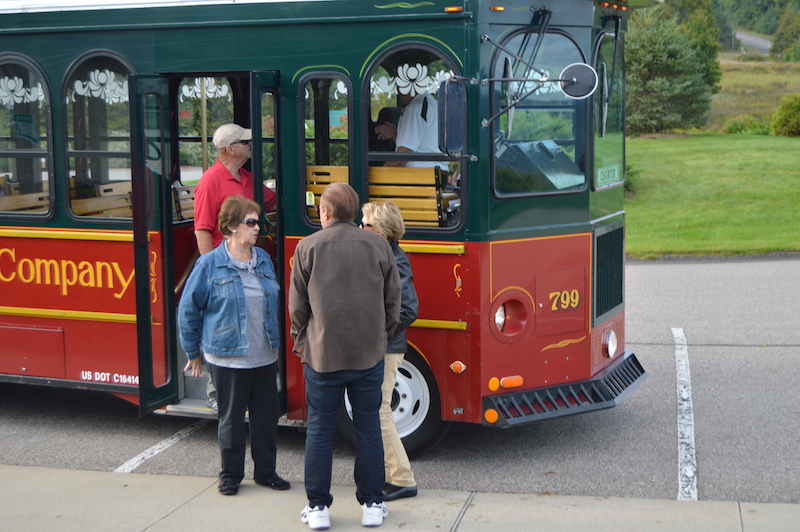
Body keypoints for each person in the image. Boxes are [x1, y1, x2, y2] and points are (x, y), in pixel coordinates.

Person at [289, 183, 401, 530]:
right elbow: (393, 302)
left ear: (325, 212)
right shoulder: (379, 245)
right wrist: (381, 336)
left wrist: (303, 341)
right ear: (353, 212)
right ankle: (371, 503)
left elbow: (297, 309)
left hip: (322, 355)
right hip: (368, 354)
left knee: (320, 430)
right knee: (368, 427)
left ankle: (318, 508)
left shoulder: (307, 248)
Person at [179, 195, 289, 496]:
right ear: (230, 227)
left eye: (259, 221)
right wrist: (194, 353)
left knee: (266, 419)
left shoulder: (263, 259)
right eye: (251, 222)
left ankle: (266, 472)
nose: (258, 228)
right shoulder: (209, 264)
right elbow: (188, 310)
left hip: (265, 354)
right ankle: (230, 475)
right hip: (227, 356)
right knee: (231, 420)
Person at [192, 123, 277, 413]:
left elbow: (272, 199)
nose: (251, 145)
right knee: (222, 324)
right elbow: (202, 231)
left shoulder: (247, 178)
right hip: (224, 267)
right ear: (230, 149)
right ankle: (216, 390)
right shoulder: (210, 182)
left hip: (249, 263)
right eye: (245, 141)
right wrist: (212, 271)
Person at [360, 202, 419, 502]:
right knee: (377, 410)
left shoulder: (396, 259)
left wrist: (377, 333)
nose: (360, 228)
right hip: (383, 345)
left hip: (386, 347)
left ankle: (401, 478)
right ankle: (390, 474)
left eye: (365, 224)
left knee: (381, 410)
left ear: (380, 230)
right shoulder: (382, 253)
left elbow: (408, 309)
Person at [373, 89, 448, 170]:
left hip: (421, 176)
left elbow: (402, 158)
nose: (399, 90)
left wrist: (380, 174)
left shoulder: (415, 109)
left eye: (402, 85)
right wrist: (394, 135)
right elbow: (421, 146)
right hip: (436, 173)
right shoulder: (434, 104)